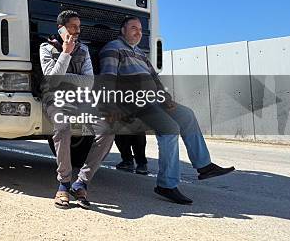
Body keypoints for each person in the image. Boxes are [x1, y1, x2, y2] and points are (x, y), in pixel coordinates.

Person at [99, 16, 235, 204]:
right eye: (133, 28)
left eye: (140, 29)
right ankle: (166, 185)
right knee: (170, 127)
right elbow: (108, 78)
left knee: (187, 114)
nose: (138, 32)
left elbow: (155, 80)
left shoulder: (140, 53)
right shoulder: (113, 48)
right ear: (123, 30)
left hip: (153, 100)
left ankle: (205, 166)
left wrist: (167, 99)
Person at [40, 10, 114, 209]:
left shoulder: (83, 50)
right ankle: (64, 184)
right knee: (62, 128)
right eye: (74, 27)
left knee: (107, 131)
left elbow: (89, 82)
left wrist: (64, 78)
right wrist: (65, 53)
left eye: (79, 27)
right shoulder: (46, 48)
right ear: (61, 28)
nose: (78, 31)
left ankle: (81, 182)